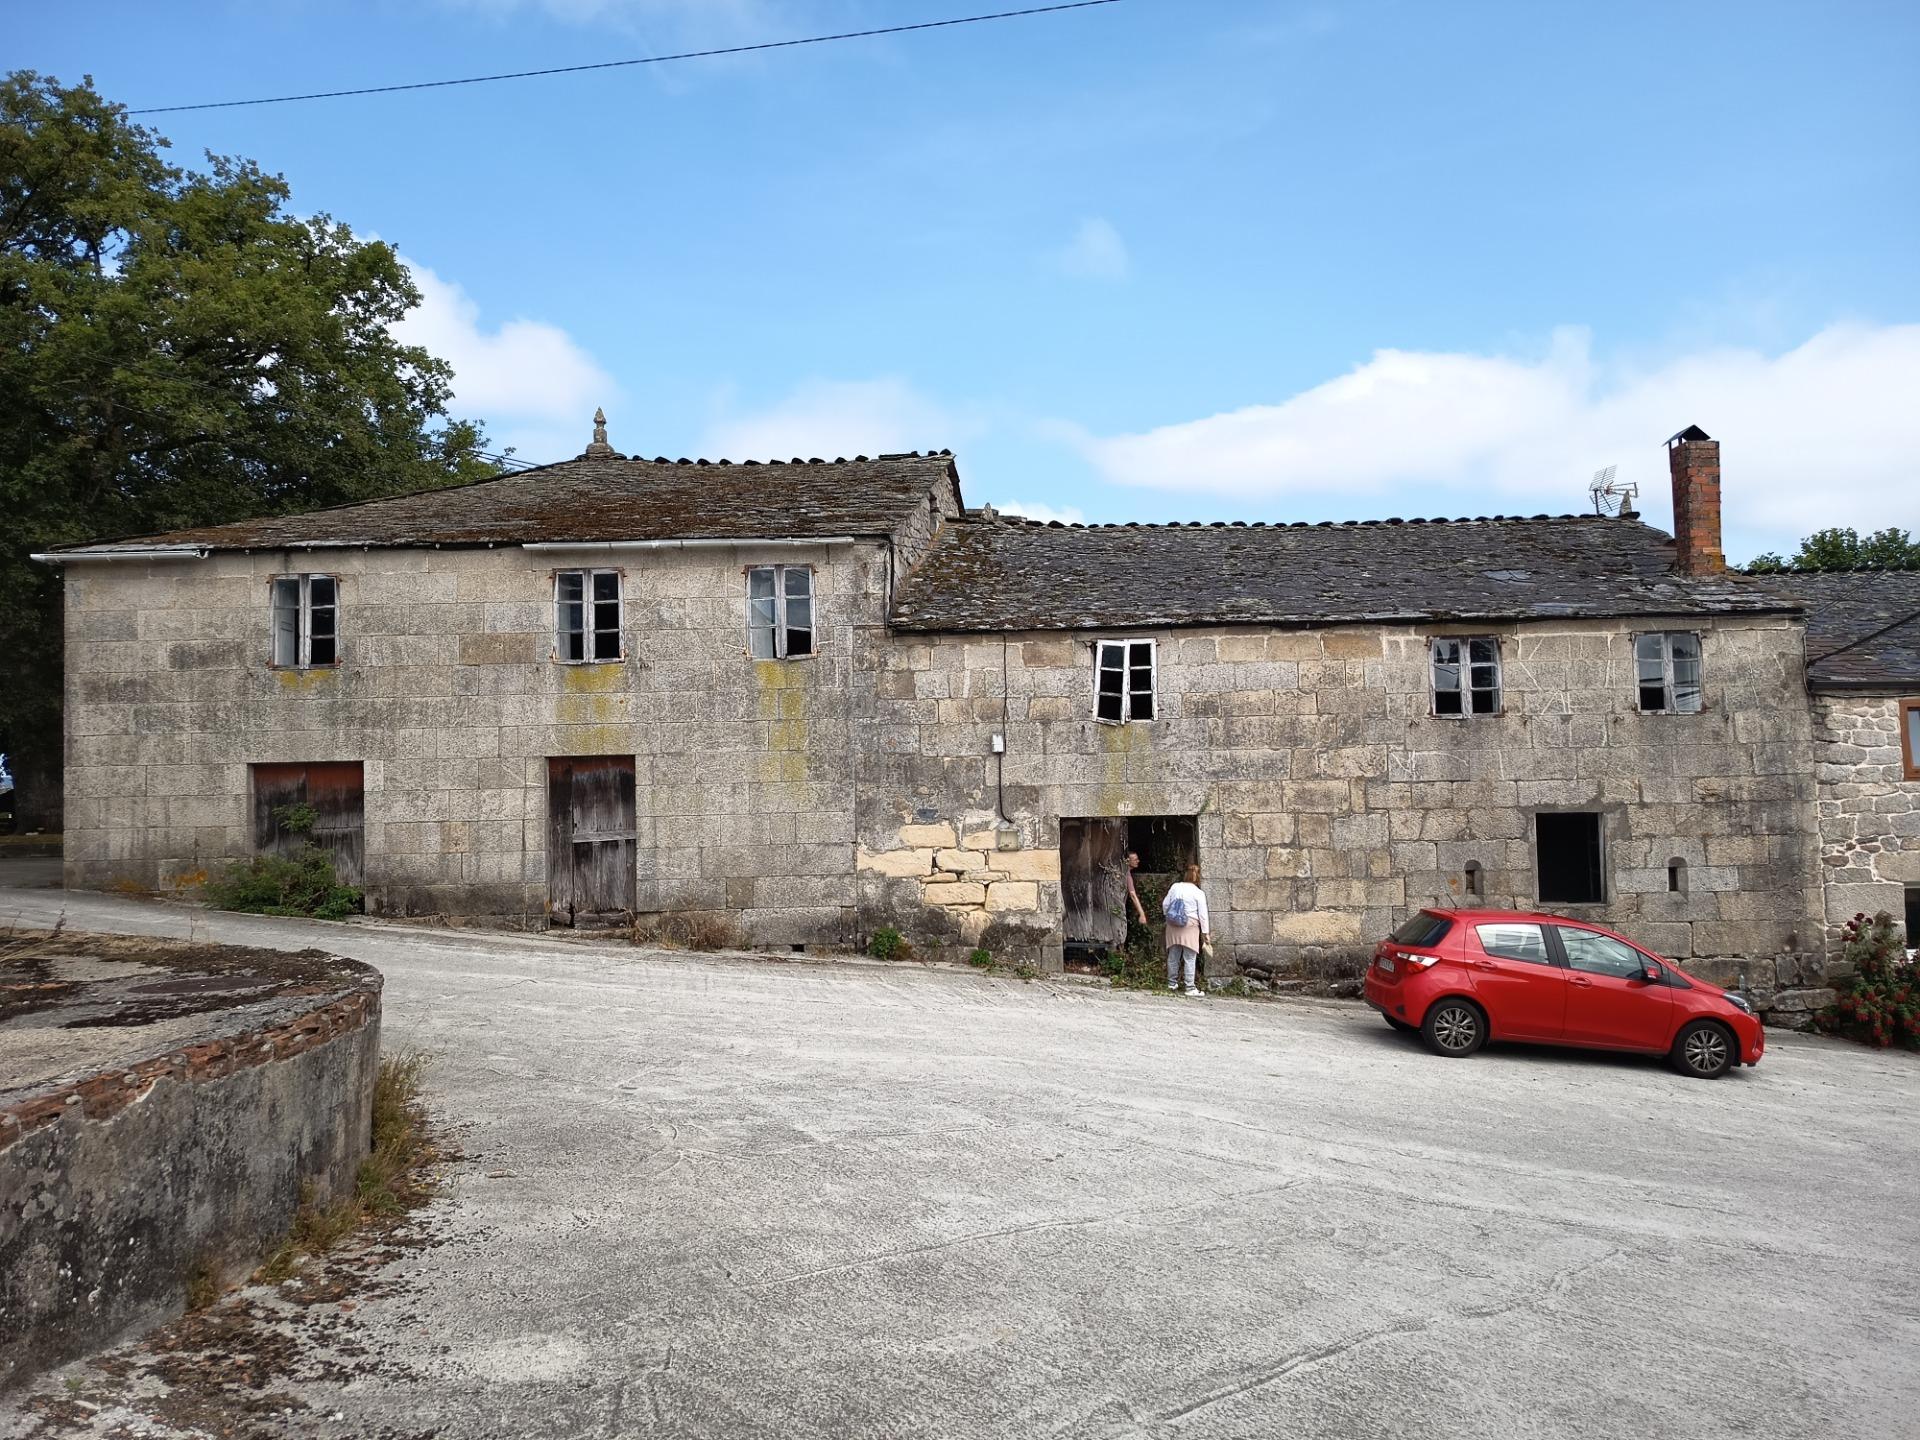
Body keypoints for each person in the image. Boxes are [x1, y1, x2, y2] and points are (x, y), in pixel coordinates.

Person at [1162, 862, 1211, 997]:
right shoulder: (1198, 893)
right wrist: (1205, 933)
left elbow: (1165, 904)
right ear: (1198, 877)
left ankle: (1171, 983)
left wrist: (1168, 916)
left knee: (1173, 954)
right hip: (1190, 925)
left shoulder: (1175, 887)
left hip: (1173, 924)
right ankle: (1190, 987)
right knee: (1189, 957)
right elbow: (1203, 915)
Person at [1123, 850, 1149, 928]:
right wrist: (1142, 914)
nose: (1138, 861)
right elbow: (1132, 895)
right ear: (1128, 861)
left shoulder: (1125, 872)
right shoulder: (1126, 874)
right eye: (1135, 860)